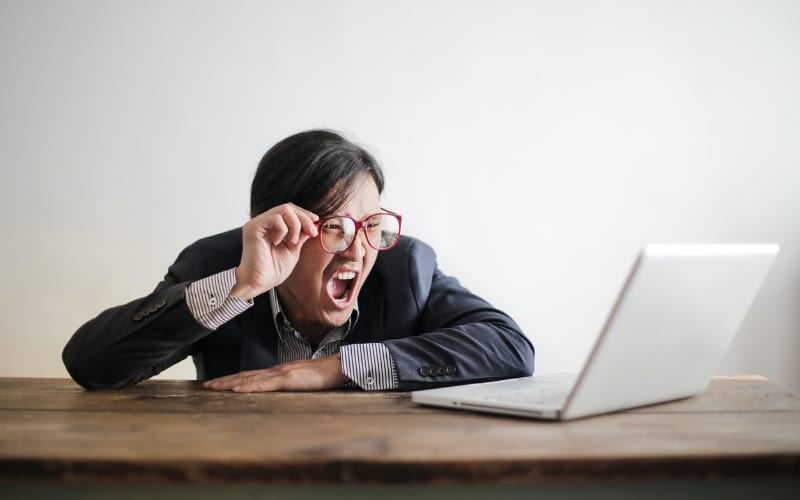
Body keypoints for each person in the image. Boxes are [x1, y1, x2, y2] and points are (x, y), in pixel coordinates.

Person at [62, 130, 535, 392]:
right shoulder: (217, 263)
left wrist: (334, 368)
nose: (357, 249)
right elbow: (90, 365)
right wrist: (239, 289)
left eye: (371, 224)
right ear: (274, 225)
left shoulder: (405, 265)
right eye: (333, 226)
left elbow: (510, 347)